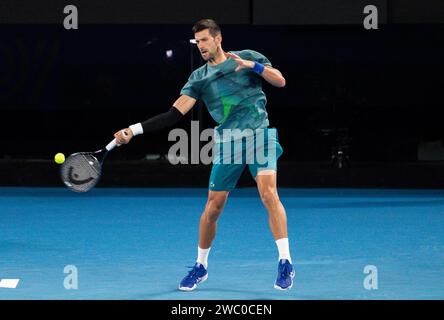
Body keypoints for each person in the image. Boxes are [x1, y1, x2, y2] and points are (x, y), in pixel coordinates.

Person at [114, 19, 294, 291]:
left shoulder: (247, 57)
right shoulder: (198, 78)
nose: (201, 46)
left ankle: (285, 262)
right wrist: (133, 130)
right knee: (213, 208)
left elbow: (280, 80)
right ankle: (201, 266)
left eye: (204, 41)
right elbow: (173, 114)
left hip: (260, 134)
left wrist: (251, 66)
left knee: (269, 194)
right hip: (229, 141)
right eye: (197, 42)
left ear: (218, 38)